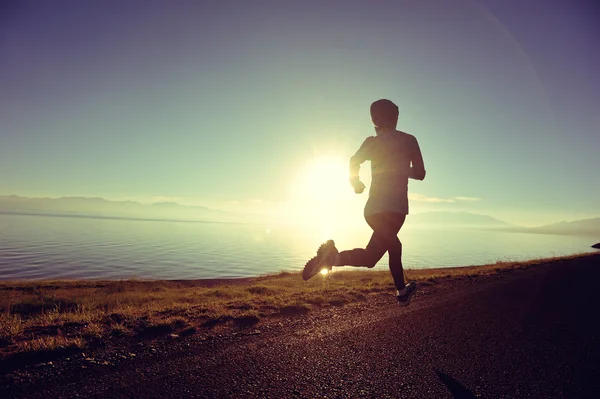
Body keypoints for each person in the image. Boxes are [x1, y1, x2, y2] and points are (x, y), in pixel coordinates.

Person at [302, 99, 426, 306]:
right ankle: (333, 259)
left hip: (372, 211)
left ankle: (402, 292)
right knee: (378, 254)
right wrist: (401, 169)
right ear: (395, 117)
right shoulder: (409, 140)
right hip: (395, 210)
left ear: (374, 120)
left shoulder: (371, 143)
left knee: (388, 249)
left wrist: (355, 182)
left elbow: (353, 160)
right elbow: (420, 174)